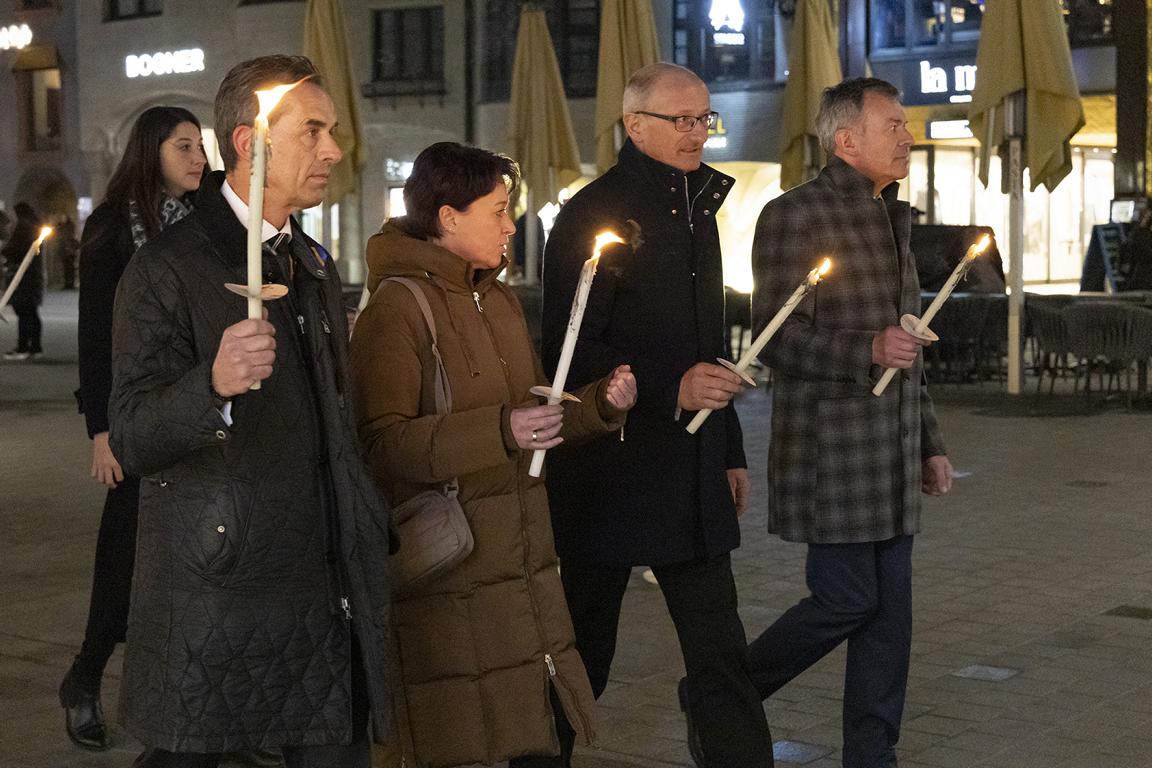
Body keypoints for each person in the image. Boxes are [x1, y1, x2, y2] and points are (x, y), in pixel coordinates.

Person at [108, 55, 393, 768]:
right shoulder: (168, 267)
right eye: (313, 131)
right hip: (224, 584)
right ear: (248, 142)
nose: (333, 150)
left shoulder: (313, 262)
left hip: (323, 577)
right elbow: (132, 434)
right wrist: (213, 384)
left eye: (332, 131)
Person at [348, 141, 637, 768]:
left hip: (521, 563)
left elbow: (534, 413)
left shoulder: (496, 298)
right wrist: (501, 431)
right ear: (448, 217)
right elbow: (381, 445)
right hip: (450, 572)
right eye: (499, 211)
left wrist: (597, 405)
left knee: (531, 732)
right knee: (457, 738)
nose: (511, 226)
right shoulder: (397, 309)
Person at [539, 62, 773, 767]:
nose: (698, 132)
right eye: (682, 120)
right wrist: (673, 387)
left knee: (721, 652)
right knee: (584, 655)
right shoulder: (593, 214)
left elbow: (711, 350)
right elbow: (569, 350)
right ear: (635, 125)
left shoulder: (699, 208)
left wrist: (728, 449)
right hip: (607, 472)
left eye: (705, 118)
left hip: (691, 466)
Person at [746, 77, 954, 768]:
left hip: (891, 451)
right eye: (893, 125)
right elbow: (774, 338)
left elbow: (908, 344)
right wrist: (865, 349)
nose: (908, 137)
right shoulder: (794, 215)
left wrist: (929, 443)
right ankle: (726, 691)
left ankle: (872, 755)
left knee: (891, 620)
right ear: (845, 140)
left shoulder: (892, 217)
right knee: (846, 601)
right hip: (833, 452)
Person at [61, 106, 207, 753]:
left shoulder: (205, 221)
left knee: (193, 568)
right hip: (135, 414)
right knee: (125, 559)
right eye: (184, 147)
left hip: (197, 407)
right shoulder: (112, 229)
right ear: (151, 152)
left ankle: (183, 718)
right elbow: (95, 337)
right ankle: (85, 677)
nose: (198, 158)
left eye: (200, 145)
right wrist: (101, 431)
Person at [2, 202, 45, 360]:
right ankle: (34, 347)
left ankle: (24, 347)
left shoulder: (24, 227)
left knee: (25, 312)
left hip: (24, 278)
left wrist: (4, 251)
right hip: (33, 277)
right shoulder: (34, 226)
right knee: (31, 313)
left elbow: (14, 249)